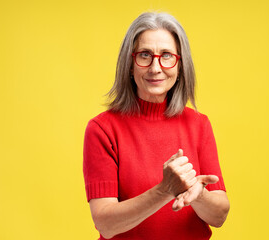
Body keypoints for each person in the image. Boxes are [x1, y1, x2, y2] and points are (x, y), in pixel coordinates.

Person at [83, 12, 230, 240]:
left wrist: (198, 193)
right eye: (144, 55)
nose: (156, 67)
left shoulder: (199, 125)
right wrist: (165, 190)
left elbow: (219, 216)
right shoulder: (102, 129)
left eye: (167, 56)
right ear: (130, 65)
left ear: (180, 66)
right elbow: (105, 223)